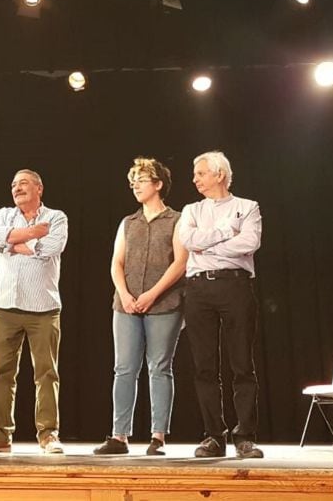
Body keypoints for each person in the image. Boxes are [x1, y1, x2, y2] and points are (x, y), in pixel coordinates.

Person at [93, 157, 188, 456]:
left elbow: (181, 262)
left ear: (158, 184)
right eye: (132, 180)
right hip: (126, 306)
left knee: (159, 367)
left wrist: (152, 294)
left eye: (142, 179)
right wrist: (124, 293)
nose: (135, 184)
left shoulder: (177, 219)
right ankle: (119, 436)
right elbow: (116, 263)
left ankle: (157, 436)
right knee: (124, 368)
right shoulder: (128, 223)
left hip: (165, 303)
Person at [0, 169, 69, 454]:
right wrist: (30, 234)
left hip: (44, 308)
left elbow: (52, 246)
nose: (17, 188)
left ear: (39, 188)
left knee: (46, 373)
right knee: (1, 372)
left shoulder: (56, 217)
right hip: (5, 307)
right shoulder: (3, 215)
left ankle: (48, 434)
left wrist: (13, 243)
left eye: (23, 183)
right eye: (13, 184)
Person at [178, 151, 264, 459]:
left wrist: (210, 245)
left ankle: (245, 437)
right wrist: (228, 232)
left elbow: (250, 244)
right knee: (204, 366)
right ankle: (214, 435)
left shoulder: (247, 207)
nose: (195, 179)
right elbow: (189, 242)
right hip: (199, 288)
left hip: (236, 286)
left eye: (200, 173)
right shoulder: (191, 210)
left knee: (242, 363)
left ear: (219, 175)